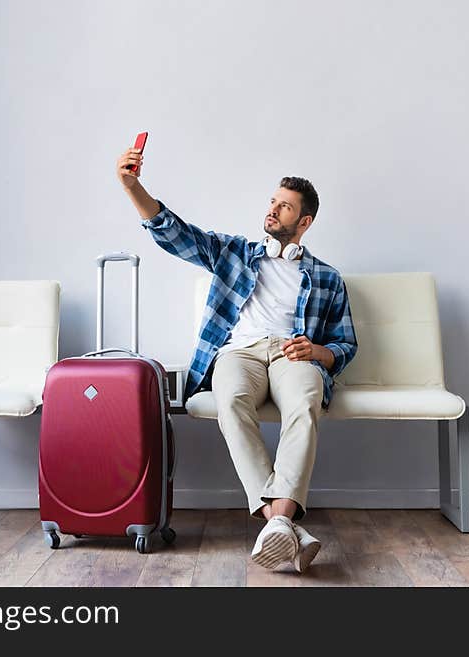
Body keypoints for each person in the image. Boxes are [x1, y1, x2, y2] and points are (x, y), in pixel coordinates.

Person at [115, 146, 357, 572]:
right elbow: (176, 233)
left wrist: (317, 351)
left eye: (285, 207)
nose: (273, 210)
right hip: (237, 353)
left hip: (291, 355)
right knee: (230, 402)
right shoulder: (234, 254)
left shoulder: (327, 278)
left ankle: (276, 524)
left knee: (305, 403)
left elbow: (344, 344)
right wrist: (134, 187)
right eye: (273, 201)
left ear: (304, 223)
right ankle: (283, 522)